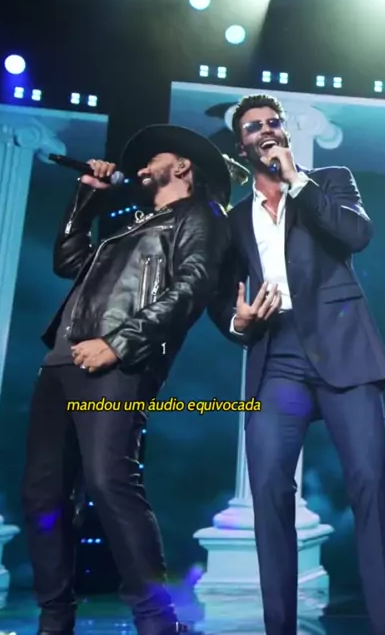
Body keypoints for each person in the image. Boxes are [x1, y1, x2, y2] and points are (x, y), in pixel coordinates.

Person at [21, 124, 231, 635]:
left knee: (108, 482)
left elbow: (193, 286)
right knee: (43, 494)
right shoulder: (130, 226)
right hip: (62, 363)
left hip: (118, 363)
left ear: (181, 166)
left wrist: (118, 342)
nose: (140, 166)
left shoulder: (200, 216)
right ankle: (55, 619)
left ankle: (158, 622)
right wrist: (88, 196)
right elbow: (68, 261)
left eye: (152, 158)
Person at [208, 94, 385, 635]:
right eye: (254, 126)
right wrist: (238, 321)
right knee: (269, 488)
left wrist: (296, 181)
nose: (266, 130)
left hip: (345, 350)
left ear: (285, 133)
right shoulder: (233, 219)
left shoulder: (329, 181)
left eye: (273, 122)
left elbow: (356, 234)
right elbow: (219, 296)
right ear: (241, 144)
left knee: (369, 485)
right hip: (279, 356)